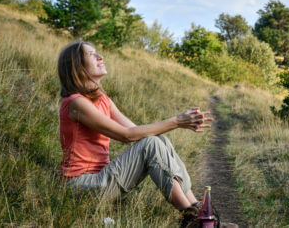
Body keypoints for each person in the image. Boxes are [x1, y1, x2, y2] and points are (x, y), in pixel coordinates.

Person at [57, 40, 213, 227]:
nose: (101, 57)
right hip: (81, 186)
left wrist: (179, 124)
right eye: (91, 55)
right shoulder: (76, 103)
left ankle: (199, 213)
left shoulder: (102, 99)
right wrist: (177, 122)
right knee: (152, 144)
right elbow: (126, 135)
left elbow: (138, 133)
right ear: (77, 67)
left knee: (158, 140)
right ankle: (192, 220)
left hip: (102, 178)